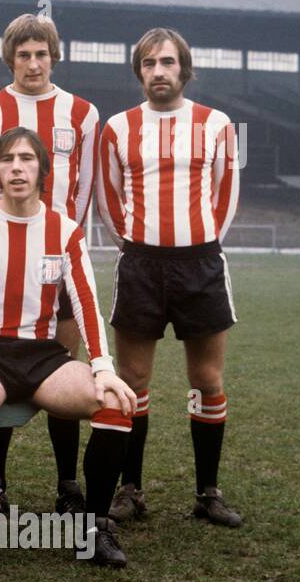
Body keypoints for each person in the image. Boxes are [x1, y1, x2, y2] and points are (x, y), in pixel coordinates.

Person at [0, 127, 136, 569]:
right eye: (7, 159)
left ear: (43, 170)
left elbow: (86, 299)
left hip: (43, 355)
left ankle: (94, 528)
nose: (17, 167)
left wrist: (104, 366)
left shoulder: (64, 229)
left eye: (27, 159)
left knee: (113, 401)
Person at [96, 28, 242, 528]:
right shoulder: (117, 128)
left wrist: (196, 244)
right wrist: (139, 246)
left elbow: (225, 195)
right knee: (133, 380)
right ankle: (130, 489)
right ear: (138, 72)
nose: (158, 72)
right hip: (139, 265)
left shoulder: (217, 124)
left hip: (200, 264)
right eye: (148, 64)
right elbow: (109, 197)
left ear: (184, 68)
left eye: (167, 62)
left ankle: (208, 492)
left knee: (206, 378)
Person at [0, 13, 100, 518]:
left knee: (60, 363)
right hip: (2, 256)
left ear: (53, 57)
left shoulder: (81, 113)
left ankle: (68, 482)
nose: (33, 63)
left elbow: (84, 188)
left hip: (58, 258)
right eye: (24, 55)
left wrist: (62, 243)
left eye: (41, 53)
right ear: (11, 59)